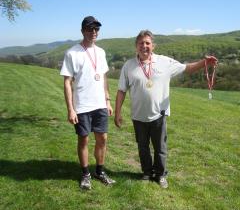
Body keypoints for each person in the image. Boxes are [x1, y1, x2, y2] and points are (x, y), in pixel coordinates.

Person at [114, 30, 217, 188]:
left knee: (160, 147)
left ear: (153, 46)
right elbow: (121, 90)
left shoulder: (164, 62)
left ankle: (161, 175)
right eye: (141, 43)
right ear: (136, 46)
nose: (144, 46)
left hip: (159, 115)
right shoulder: (129, 65)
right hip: (138, 115)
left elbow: (186, 68)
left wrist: (205, 63)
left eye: (147, 43)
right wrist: (118, 113)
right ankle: (147, 173)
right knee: (143, 147)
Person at [60, 16, 115, 190]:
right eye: (90, 29)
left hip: (99, 104)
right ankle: (85, 174)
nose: (94, 32)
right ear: (82, 30)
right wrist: (71, 109)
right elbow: (68, 82)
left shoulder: (101, 52)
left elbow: (104, 76)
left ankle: (99, 171)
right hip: (82, 105)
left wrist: (107, 99)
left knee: (102, 139)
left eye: (96, 29)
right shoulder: (72, 53)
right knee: (83, 140)